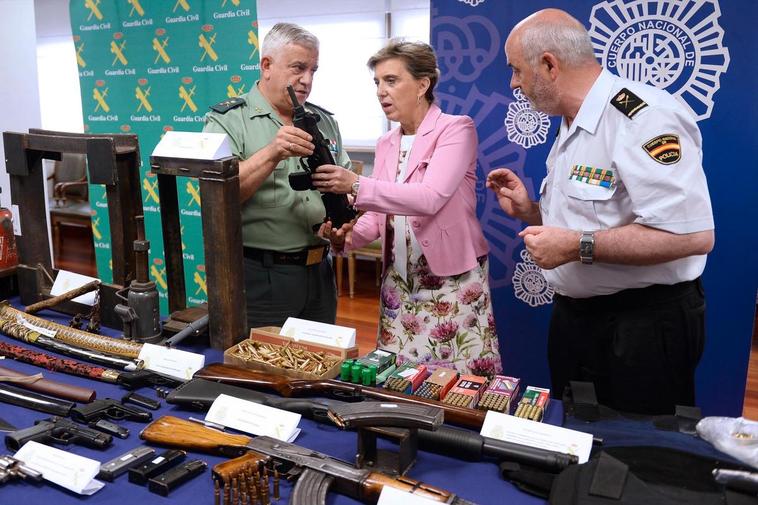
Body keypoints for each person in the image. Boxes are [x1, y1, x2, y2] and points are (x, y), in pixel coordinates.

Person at [486, 9, 714, 414]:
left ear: (549, 65)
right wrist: (532, 212)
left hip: (640, 328)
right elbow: (594, 218)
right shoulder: (572, 120)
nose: (513, 83)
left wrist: (576, 246)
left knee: (637, 456)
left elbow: (690, 235)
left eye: (517, 71)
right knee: (579, 447)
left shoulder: (642, 117)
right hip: (579, 321)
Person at [314, 41, 502, 377]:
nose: (381, 92)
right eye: (377, 83)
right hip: (399, 283)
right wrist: (346, 238)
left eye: (391, 80)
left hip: (451, 281)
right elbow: (377, 215)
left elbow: (429, 198)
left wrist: (355, 185)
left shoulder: (456, 129)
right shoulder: (387, 143)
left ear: (423, 84)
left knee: (458, 387)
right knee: (397, 381)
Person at [203, 22, 351, 331]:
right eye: (298, 68)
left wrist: (344, 222)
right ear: (266, 66)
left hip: (321, 273)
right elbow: (219, 198)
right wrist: (272, 152)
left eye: (313, 70)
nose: (307, 80)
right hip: (262, 278)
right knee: (263, 371)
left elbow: (347, 185)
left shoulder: (323, 121)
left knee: (322, 369)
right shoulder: (229, 120)